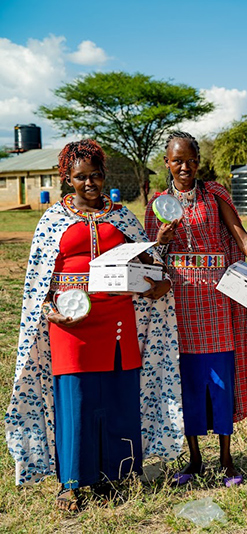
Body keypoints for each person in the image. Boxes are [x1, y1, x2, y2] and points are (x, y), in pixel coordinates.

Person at [5, 139, 183, 512]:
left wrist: (157, 275)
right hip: (70, 322)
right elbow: (39, 280)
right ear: (67, 179)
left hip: (118, 318)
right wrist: (50, 310)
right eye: (80, 177)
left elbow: (149, 263)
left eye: (96, 176)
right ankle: (71, 483)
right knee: (75, 398)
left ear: (104, 176)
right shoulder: (53, 219)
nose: (89, 183)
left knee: (119, 396)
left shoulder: (123, 218)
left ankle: (117, 474)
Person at [145, 131, 247, 487]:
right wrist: (161, 240)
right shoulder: (157, 203)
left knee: (220, 379)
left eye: (190, 160)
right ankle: (194, 460)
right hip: (180, 302)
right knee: (187, 381)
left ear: (198, 162)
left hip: (217, 300)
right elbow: (148, 257)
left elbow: (240, 235)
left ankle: (227, 460)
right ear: (166, 163)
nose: (184, 167)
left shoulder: (214, 194)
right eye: (176, 160)